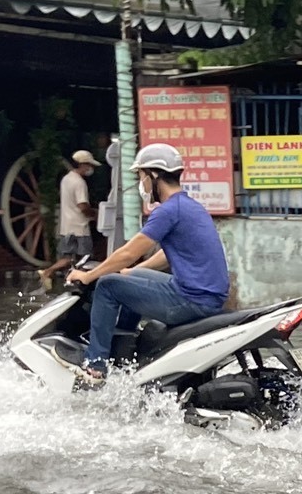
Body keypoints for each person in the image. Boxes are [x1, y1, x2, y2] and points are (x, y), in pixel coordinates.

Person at [67, 141, 231, 386]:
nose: (141, 184)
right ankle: (124, 349)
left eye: (142, 176)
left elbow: (129, 252)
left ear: (154, 176)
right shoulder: (189, 206)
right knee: (127, 279)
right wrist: (134, 271)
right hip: (205, 295)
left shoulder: (168, 211)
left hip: (191, 300)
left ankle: (95, 366)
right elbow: (166, 254)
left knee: (108, 286)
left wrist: (90, 276)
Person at [47, 147, 98, 289]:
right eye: (89, 165)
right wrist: (94, 214)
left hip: (66, 226)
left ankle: (51, 274)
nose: (91, 168)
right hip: (80, 227)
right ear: (82, 165)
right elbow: (82, 206)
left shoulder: (66, 179)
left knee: (67, 258)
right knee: (84, 259)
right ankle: (79, 284)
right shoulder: (79, 182)